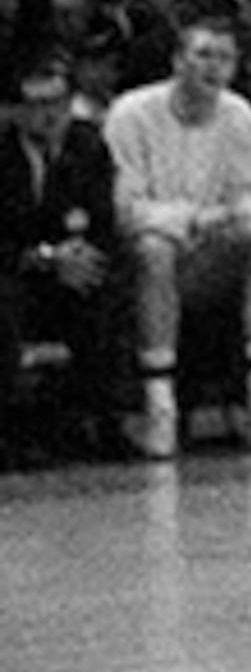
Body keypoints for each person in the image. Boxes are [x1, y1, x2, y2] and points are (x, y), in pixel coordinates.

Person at [103, 18, 251, 457]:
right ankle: (161, 410)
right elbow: (125, 209)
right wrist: (196, 219)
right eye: (203, 55)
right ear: (178, 62)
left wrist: (239, 217)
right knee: (156, 250)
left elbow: (249, 196)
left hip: (208, 250)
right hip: (143, 253)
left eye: (225, 58)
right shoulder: (130, 114)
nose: (214, 68)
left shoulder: (238, 115)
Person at [5, 51, 125, 464]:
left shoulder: (88, 144)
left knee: (106, 287)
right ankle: (18, 431)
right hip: (16, 267)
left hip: (73, 267)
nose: (50, 115)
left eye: (58, 103)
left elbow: (105, 220)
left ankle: (99, 422)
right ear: (15, 111)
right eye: (37, 105)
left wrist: (81, 254)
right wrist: (46, 256)